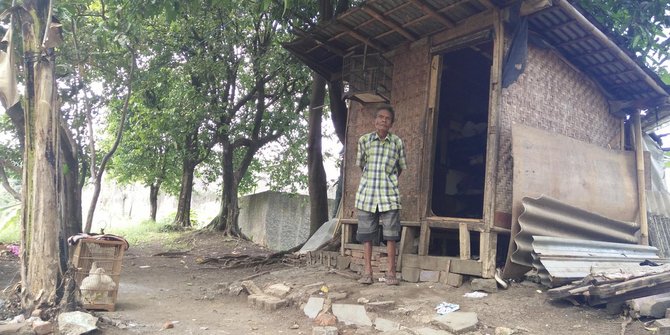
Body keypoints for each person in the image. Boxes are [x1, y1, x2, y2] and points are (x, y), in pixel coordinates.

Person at [355, 106, 407, 285]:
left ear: (392, 123)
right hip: (367, 194)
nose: (384, 120)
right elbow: (362, 165)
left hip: (389, 195)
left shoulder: (397, 143)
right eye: (380, 117)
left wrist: (388, 181)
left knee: (391, 235)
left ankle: (391, 273)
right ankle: (367, 272)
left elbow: (399, 168)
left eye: (387, 118)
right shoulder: (364, 141)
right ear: (374, 120)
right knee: (367, 235)